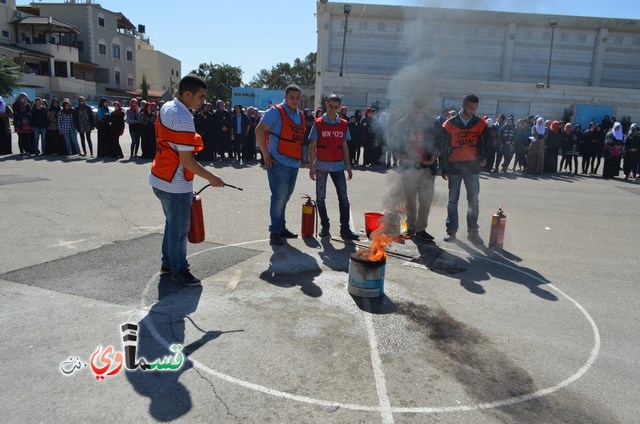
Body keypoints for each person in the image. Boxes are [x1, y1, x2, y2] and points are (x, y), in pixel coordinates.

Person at [150, 74, 225, 287]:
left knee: (172, 225)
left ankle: (168, 263)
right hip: (174, 183)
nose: (203, 102)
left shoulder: (168, 107)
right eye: (200, 97)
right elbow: (187, 161)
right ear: (188, 94)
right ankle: (178, 269)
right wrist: (212, 178)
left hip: (160, 177)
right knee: (179, 229)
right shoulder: (183, 118)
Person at [255, 84, 306, 246]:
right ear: (285, 97)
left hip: (293, 163)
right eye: (291, 97)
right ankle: (275, 231)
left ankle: (281, 227)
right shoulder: (275, 112)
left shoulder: (300, 115)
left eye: (297, 98)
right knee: (278, 198)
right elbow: (259, 130)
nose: (295, 101)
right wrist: (266, 155)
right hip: (279, 163)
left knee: (286, 197)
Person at [308, 94, 359, 240]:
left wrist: (348, 166)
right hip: (321, 166)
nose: (332, 110)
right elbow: (313, 146)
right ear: (326, 104)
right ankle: (325, 226)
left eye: (336, 107)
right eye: (330, 106)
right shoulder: (317, 123)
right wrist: (311, 167)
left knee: (343, 197)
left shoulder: (343, 124)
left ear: (339, 108)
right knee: (320, 198)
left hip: (338, 166)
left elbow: (344, 146)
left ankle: (345, 229)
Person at [439, 93, 489, 245]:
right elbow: (444, 147)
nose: (472, 111)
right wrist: (444, 168)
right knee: (452, 200)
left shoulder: (480, 124)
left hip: (472, 168)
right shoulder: (449, 124)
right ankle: (451, 232)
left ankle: (473, 232)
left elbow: (486, 143)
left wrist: (484, 157)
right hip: (454, 168)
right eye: (470, 108)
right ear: (463, 105)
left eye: (475, 108)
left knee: (473, 201)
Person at [391, 98, 439, 241]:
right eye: (416, 110)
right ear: (411, 109)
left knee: (425, 201)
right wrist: (402, 158)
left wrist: (434, 157)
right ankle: (410, 227)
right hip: (409, 169)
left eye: (421, 110)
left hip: (427, 169)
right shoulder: (402, 124)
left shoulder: (433, 124)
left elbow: (441, 143)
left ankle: (421, 229)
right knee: (410, 200)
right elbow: (394, 145)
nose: (418, 113)